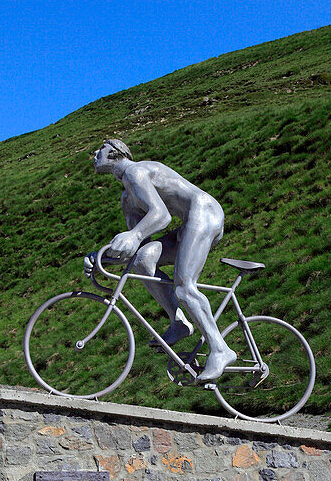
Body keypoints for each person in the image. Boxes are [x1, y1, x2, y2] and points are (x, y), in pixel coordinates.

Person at [85, 139, 236, 381]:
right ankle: (179, 321)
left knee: (185, 287)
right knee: (142, 261)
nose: (95, 152)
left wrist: (133, 235)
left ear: (116, 152)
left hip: (204, 212)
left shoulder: (136, 172)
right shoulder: (127, 198)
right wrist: (102, 259)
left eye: (100, 148)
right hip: (188, 224)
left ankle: (220, 349)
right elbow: (136, 249)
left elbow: (161, 216)